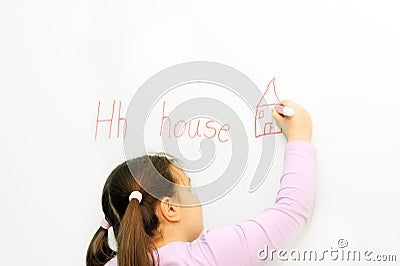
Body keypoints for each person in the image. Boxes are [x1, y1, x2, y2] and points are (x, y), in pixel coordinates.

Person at [86, 99, 316, 266]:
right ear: (171, 208)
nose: (196, 197)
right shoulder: (208, 256)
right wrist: (299, 135)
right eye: (189, 188)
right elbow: (292, 211)